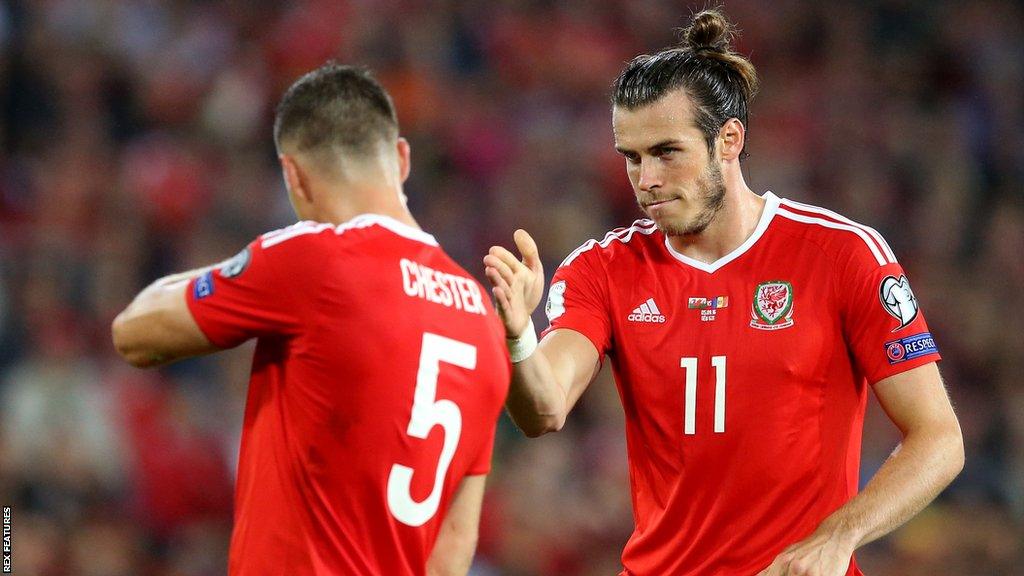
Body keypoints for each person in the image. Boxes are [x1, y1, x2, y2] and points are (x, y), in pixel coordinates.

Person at [484, 9, 963, 576]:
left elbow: (939, 437)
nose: (646, 181)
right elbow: (543, 410)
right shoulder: (603, 269)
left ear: (729, 139)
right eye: (631, 158)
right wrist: (516, 338)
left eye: (667, 152)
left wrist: (839, 536)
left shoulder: (842, 255)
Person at [113, 63, 510, 576]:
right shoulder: (481, 316)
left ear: (293, 175)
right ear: (402, 157)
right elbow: (453, 549)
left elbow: (134, 332)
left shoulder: (310, 259)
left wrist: (250, 266)